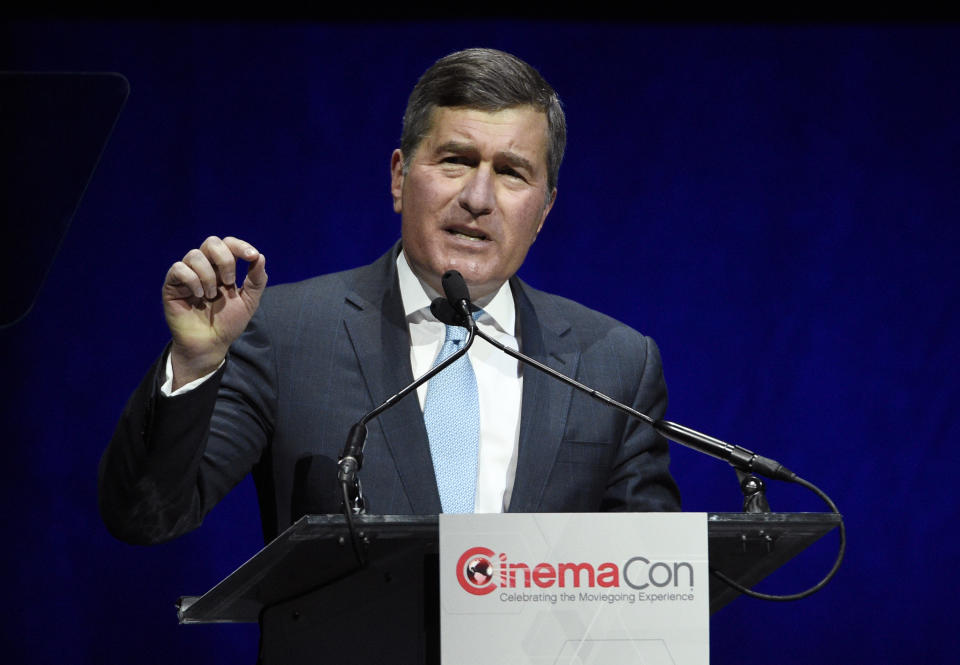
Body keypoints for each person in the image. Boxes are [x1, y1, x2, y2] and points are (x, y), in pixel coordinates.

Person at [98, 48, 680, 546]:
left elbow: (650, 583)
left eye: (511, 172)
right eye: (455, 160)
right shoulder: (284, 332)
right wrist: (197, 364)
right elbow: (146, 517)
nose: (478, 197)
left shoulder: (614, 364)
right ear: (400, 177)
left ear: (544, 209)